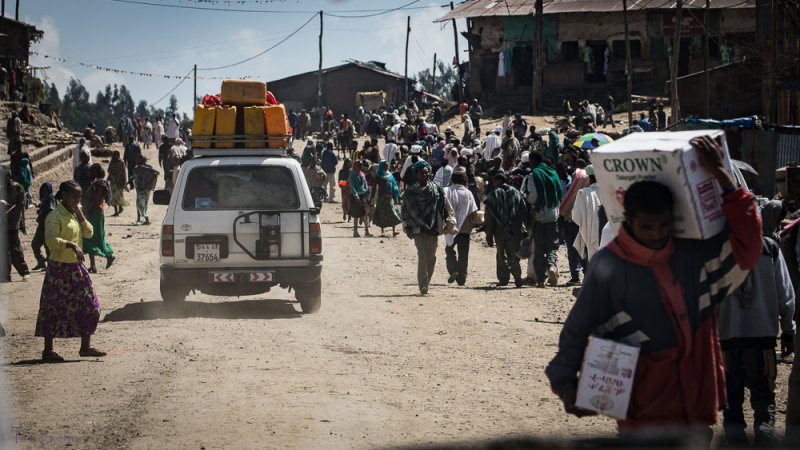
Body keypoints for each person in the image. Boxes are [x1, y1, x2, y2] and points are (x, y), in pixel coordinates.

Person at [546, 136, 763, 432]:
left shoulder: (692, 256)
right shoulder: (610, 264)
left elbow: (749, 247)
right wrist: (566, 382)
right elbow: (578, 327)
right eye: (647, 227)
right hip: (641, 412)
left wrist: (724, 177)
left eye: (663, 225)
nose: (656, 234)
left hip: (695, 408)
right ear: (628, 220)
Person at [717, 200, 795, 445]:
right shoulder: (769, 248)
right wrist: (789, 330)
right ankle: (764, 435)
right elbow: (786, 294)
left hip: (726, 336)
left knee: (732, 394)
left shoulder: (714, 251)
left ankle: (735, 438)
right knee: (763, 393)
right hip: (761, 336)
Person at [35, 180, 106, 361]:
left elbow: (89, 233)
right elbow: (50, 240)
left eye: (79, 197)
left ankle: (85, 347)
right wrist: (71, 244)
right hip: (58, 270)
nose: (77, 200)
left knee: (91, 306)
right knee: (53, 309)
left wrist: (81, 214)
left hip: (76, 268)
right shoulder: (55, 215)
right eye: (75, 196)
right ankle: (48, 350)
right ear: (64, 194)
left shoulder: (74, 215)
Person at [401, 161, 456, 295]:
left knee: (431, 257)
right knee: (422, 254)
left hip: (433, 227)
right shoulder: (410, 191)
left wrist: (450, 219)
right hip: (417, 228)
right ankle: (423, 285)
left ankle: (428, 281)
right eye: (422, 173)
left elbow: (446, 205)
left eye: (427, 172)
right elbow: (405, 210)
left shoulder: (436, 188)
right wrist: (405, 226)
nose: (425, 175)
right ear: (417, 174)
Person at [523, 151, 562, 287]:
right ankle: (552, 266)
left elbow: (533, 197)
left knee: (539, 248)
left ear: (534, 160)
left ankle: (540, 279)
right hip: (553, 215)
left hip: (538, 217)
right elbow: (559, 194)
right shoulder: (553, 173)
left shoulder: (533, 175)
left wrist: (527, 197)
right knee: (552, 245)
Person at [485, 172, 527, 288]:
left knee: (501, 256)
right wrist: (526, 227)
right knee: (513, 255)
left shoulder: (494, 194)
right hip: (515, 230)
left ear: (498, 181)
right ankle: (518, 278)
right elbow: (524, 210)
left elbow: (489, 216)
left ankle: (503, 279)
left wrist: (489, 234)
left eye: (494, 181)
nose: (493, 183)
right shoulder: (516, 192)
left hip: (500, 231)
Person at [559, 160, 591, 284]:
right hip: (582, 221)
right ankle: (585, 274)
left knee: (574, 249)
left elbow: (567, 202)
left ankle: (576, 276)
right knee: (583, 249)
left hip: (571, 221)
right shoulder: (589, 190)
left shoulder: (574, 188)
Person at [444, 170, 478, 286]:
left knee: (449, 251)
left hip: (450, 228)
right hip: (465, 229)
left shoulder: (447, 190)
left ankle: (453, 270)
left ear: (452, 179)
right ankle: (462, 277)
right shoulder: (468, 193)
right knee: (463, 254)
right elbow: (473, 212)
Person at [82, 164, 115, 274]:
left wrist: (94, 189)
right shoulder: (95, 183)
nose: (90, 174)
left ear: (97, 171)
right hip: (92, 212)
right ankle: (93, 265)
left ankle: (109, 255)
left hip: (96, 213)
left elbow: (97, 198)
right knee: (88, 236)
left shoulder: (100, 184)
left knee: (97, 238)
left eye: (92, 171)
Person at [3, 168, 30, 282]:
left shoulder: (17, 188)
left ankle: (24, 272)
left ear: (9, 177)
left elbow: (21, 204)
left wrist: (9, 206)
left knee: (15, 249)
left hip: (13, 223)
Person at [372, 160, 402, 237]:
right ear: (382, 166)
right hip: (381, 197)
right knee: (381, 214)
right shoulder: (378, 175)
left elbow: (394, 185)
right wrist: (371, 197)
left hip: (389, 197)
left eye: (387, 165)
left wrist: (396, 195)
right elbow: (374, 187)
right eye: (385, 165)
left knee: (392, 213)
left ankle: (394, 230)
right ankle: (382, 231)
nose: (386, 166)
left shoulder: (389, 175)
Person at [31, 182, 56, 271]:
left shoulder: (51, 198)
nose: (45, 191)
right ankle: (41, 263)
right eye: (43, 189)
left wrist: (42, 210)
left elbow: (50, 209)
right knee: (35, 244)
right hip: (41, 226)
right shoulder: (45, 199)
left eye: (46, 189)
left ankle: (50, 265)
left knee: (47, 246)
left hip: (48, 226)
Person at [133, 155, 159, 225]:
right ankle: (139, 219)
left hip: (146, 189)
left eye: (138, 159)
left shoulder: (147, 168)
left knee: (143, 204)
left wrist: (148, 184)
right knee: (138, 203)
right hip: (139, 188)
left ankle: (146, 219)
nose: (136, 161)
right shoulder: (137, 168)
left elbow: (155, 173)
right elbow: (134, 177)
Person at [349, 159, 372, 238]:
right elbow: (352, 186)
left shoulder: (362, 174)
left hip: (363, 195)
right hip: (355, 197)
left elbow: (365, 184)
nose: (361, 166)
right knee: (356, 214)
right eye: (359, 165)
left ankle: (367, 231)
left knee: (365, 213)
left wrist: (366, 193)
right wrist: (356, 195)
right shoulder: (352, 175)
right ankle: (355, 231)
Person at [106, 151, 129, 217]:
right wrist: (109, 178)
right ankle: (116, 211)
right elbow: (109, 171)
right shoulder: (112, 162)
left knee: (119, 196)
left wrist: (124, 182)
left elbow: (123, 173)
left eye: (117, 154)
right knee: (113, 197)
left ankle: (120, 207)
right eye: (114, 154)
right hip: (113, 182)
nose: (115, 156)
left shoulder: (121, 162)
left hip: (119, 182)